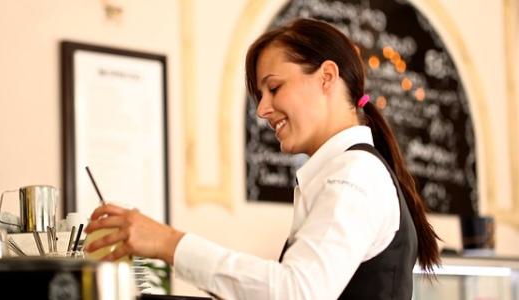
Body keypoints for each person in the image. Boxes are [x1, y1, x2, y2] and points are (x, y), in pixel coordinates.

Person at [84, 18, 440, 299]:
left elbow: (296, 292)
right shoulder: (345, 172)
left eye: (273, 88)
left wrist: (167, 243)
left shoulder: (356, 174)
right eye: (260, 95)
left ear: (327, 77)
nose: (263, 110)